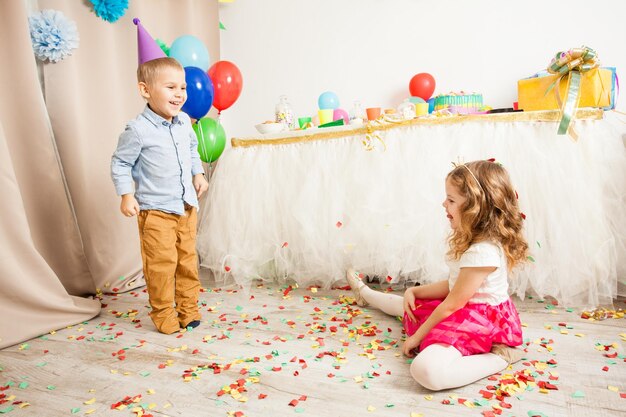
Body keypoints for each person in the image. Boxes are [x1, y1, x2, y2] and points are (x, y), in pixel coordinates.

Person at [346, 160, 529, 391]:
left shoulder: (484, 251)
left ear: (475, 208)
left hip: (482, 322)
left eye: (451, 200)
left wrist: (416, 338)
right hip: (466, 309)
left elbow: (452, 304)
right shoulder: (476, 241)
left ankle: (501, 357)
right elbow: (455, 285)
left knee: (426, 370)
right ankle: (366, 293)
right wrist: (413, 291)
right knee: (409, 304)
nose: (444, 204)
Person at [111, 57, 209, 335]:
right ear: (145, 90)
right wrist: (126, 194)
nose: (179, 94)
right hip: (156, 212)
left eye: (183, 87)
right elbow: (120, 163)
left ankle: (188, 309)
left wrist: (198, 174)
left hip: (187, 207)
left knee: (188, 262)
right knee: (161, 266)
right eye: (170, 87)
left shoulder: (183, 123)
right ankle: (164, 312)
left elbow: (192, 150)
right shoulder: (138, 130)